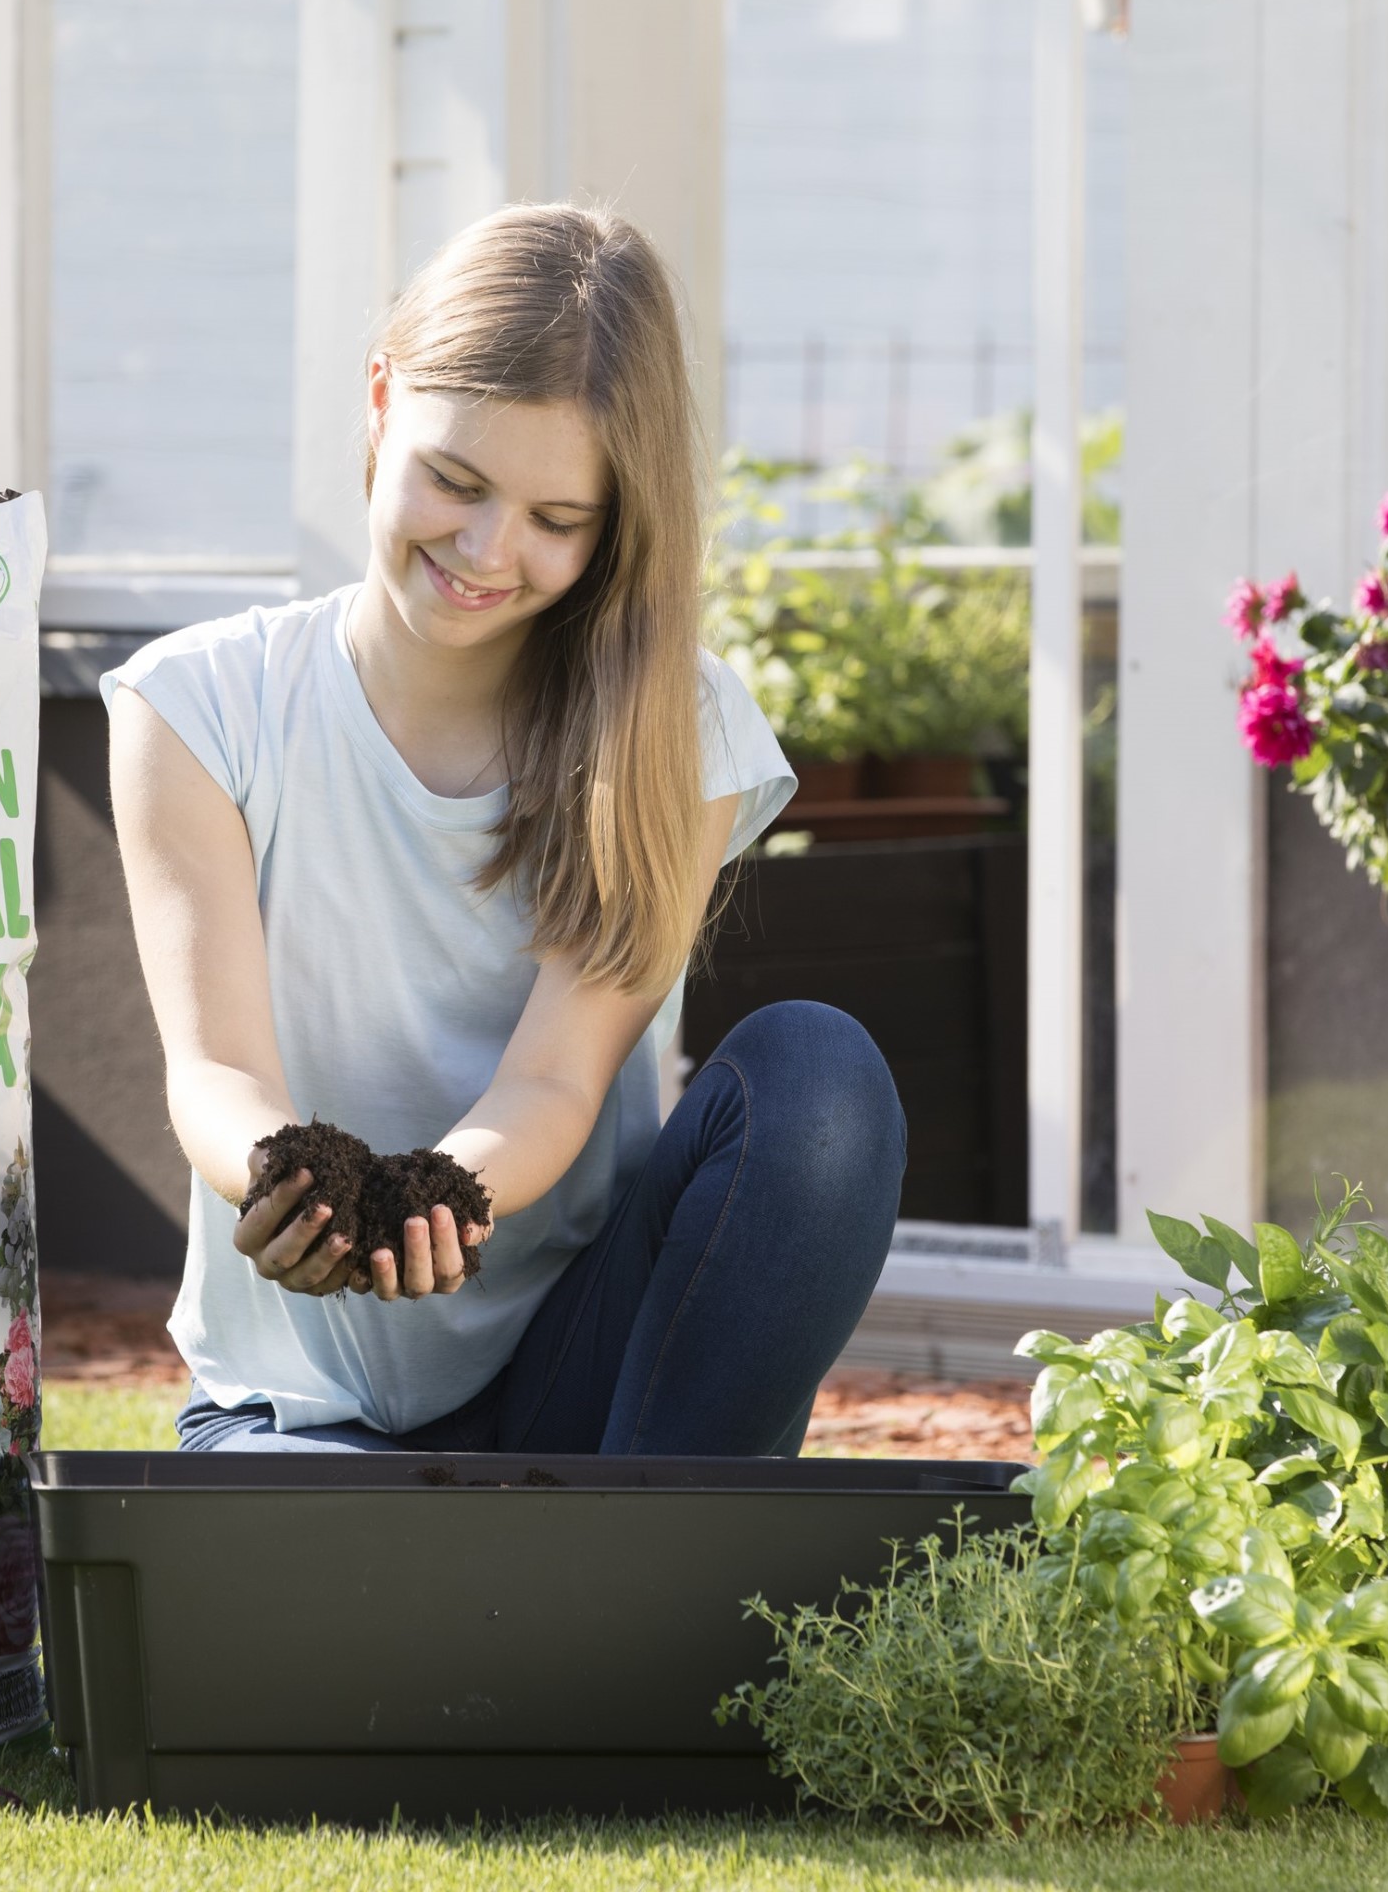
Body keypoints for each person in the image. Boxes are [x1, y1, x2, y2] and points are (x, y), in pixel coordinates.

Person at [104, 203, 904, 1456]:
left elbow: (552, 1078)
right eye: (455, 481)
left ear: (614, 522)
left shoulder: (672, 728)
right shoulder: (198, 706)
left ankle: (658, 1586)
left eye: (556, 519)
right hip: (303, 1408)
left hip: (577, 1382)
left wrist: (442, 1194)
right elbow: (214, 1071)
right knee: (376, 1652)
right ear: (380, 404)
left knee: (821, 1081)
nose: (486, 551)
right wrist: (284, 1180)